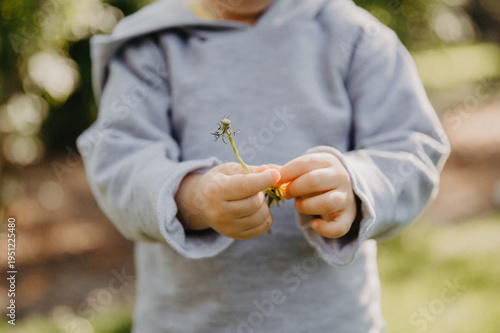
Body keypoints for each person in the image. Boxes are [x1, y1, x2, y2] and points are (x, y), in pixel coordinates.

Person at [77, 0, 450, 331]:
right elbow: (119, 160)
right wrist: (192, 198)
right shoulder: (150, 43)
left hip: (331, 321)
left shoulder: (355, 35)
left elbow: (411, 147)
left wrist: (356, 187)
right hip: (188, 322)